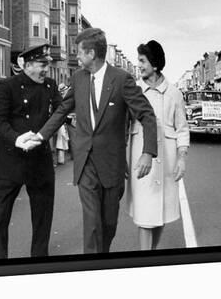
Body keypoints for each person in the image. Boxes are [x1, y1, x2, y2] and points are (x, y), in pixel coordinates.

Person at [33, 28, 158, 254]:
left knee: (108, 224)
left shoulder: (121, 80)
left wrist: (148, 152)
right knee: (91, 223)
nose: (77, 56)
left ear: (91, 53)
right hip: (86, 162)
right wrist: (41, 136)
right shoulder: (78, 78)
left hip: (112, 166)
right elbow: (62, 110)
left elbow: (147, 115)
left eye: (79, 52)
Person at [0, 43, 62, 259]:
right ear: (27, 65)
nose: (46, 69)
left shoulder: (50, 86)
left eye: (47, 65)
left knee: (43, 215)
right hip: (12, 160)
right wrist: (17, 138)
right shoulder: (8, 85)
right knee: (2, 215)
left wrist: (42, 136)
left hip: (40, 160)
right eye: (41, 64)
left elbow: (60, 113)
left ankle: (39, 259)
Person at [123, 41, 189, 250]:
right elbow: (122, 127)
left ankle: (151, 252)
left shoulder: (174, 94)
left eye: (142, 61)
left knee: (161, 215)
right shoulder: (133, 90)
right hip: (141, 160)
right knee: (145, 215)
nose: (139, 65)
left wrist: (181, 158)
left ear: (155, 63)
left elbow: (182, 129)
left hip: (167, 161)